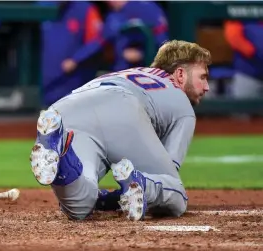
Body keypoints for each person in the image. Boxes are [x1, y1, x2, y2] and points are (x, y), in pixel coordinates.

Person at [30, 40, 211, 221]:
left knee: (80, 206)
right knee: (177, 195)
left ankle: (61, 152)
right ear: (180, 74)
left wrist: (111, 200)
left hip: (65, 108)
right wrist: (142, 185)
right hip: (123, 105)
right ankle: (140, 183)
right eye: (202, 77)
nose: (206, 87)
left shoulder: (130, 72)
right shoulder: (182, 103)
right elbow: (169, 172)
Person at [62, 0, 168, 74]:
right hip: (121, 73)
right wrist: (75, 59)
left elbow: (164, 41)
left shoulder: (146, 7)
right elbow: (97, 43)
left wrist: (143, 54)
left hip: (149, 72)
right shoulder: (113, 17)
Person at [39, 1, 103, 107]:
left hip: (73, 85)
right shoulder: (42, 6)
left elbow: (97, 40)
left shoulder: (85, 9)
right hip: (44, 86)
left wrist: (76, 59)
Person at [223, 20, 263, 98]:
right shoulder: (240, 15)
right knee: (241, 105)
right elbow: (233, 36)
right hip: (248, 72)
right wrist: (251, 52)